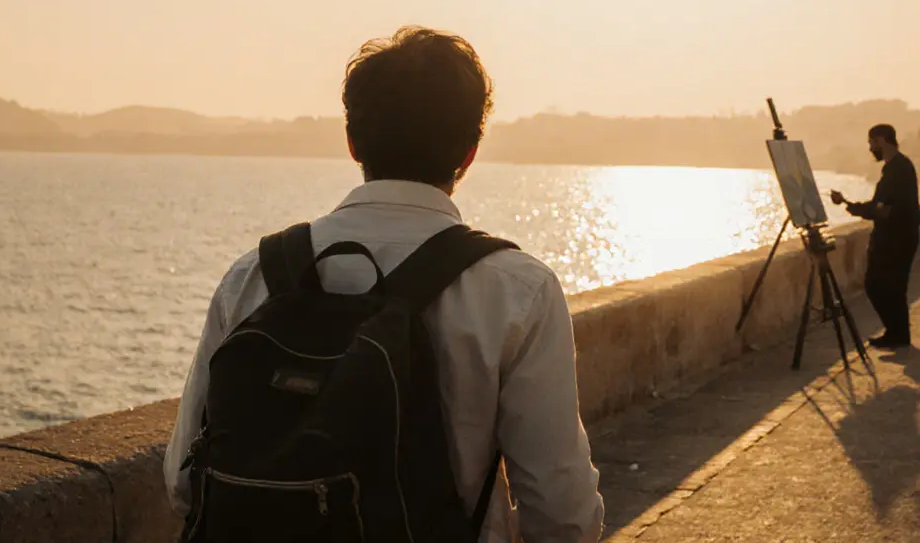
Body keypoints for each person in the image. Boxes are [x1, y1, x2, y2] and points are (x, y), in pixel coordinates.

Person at [163, 26, 604, 542]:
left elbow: (183, 483)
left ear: (353, 142)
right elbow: (561, 513)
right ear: (469, 151)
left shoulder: (253, 278)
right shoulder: (516, 291)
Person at [830, 124, 920, 349]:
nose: (870, 148)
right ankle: (898, 335)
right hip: (899, 237)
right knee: (893, 288)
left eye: (871, 143)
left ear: (881, 140)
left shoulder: (898, 169)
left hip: (896, 240)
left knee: (877, 285)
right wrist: (850, 205)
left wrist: (853, 207)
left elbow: (884, 209)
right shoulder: (896, 167)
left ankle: (896, 334)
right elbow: (880, 206)